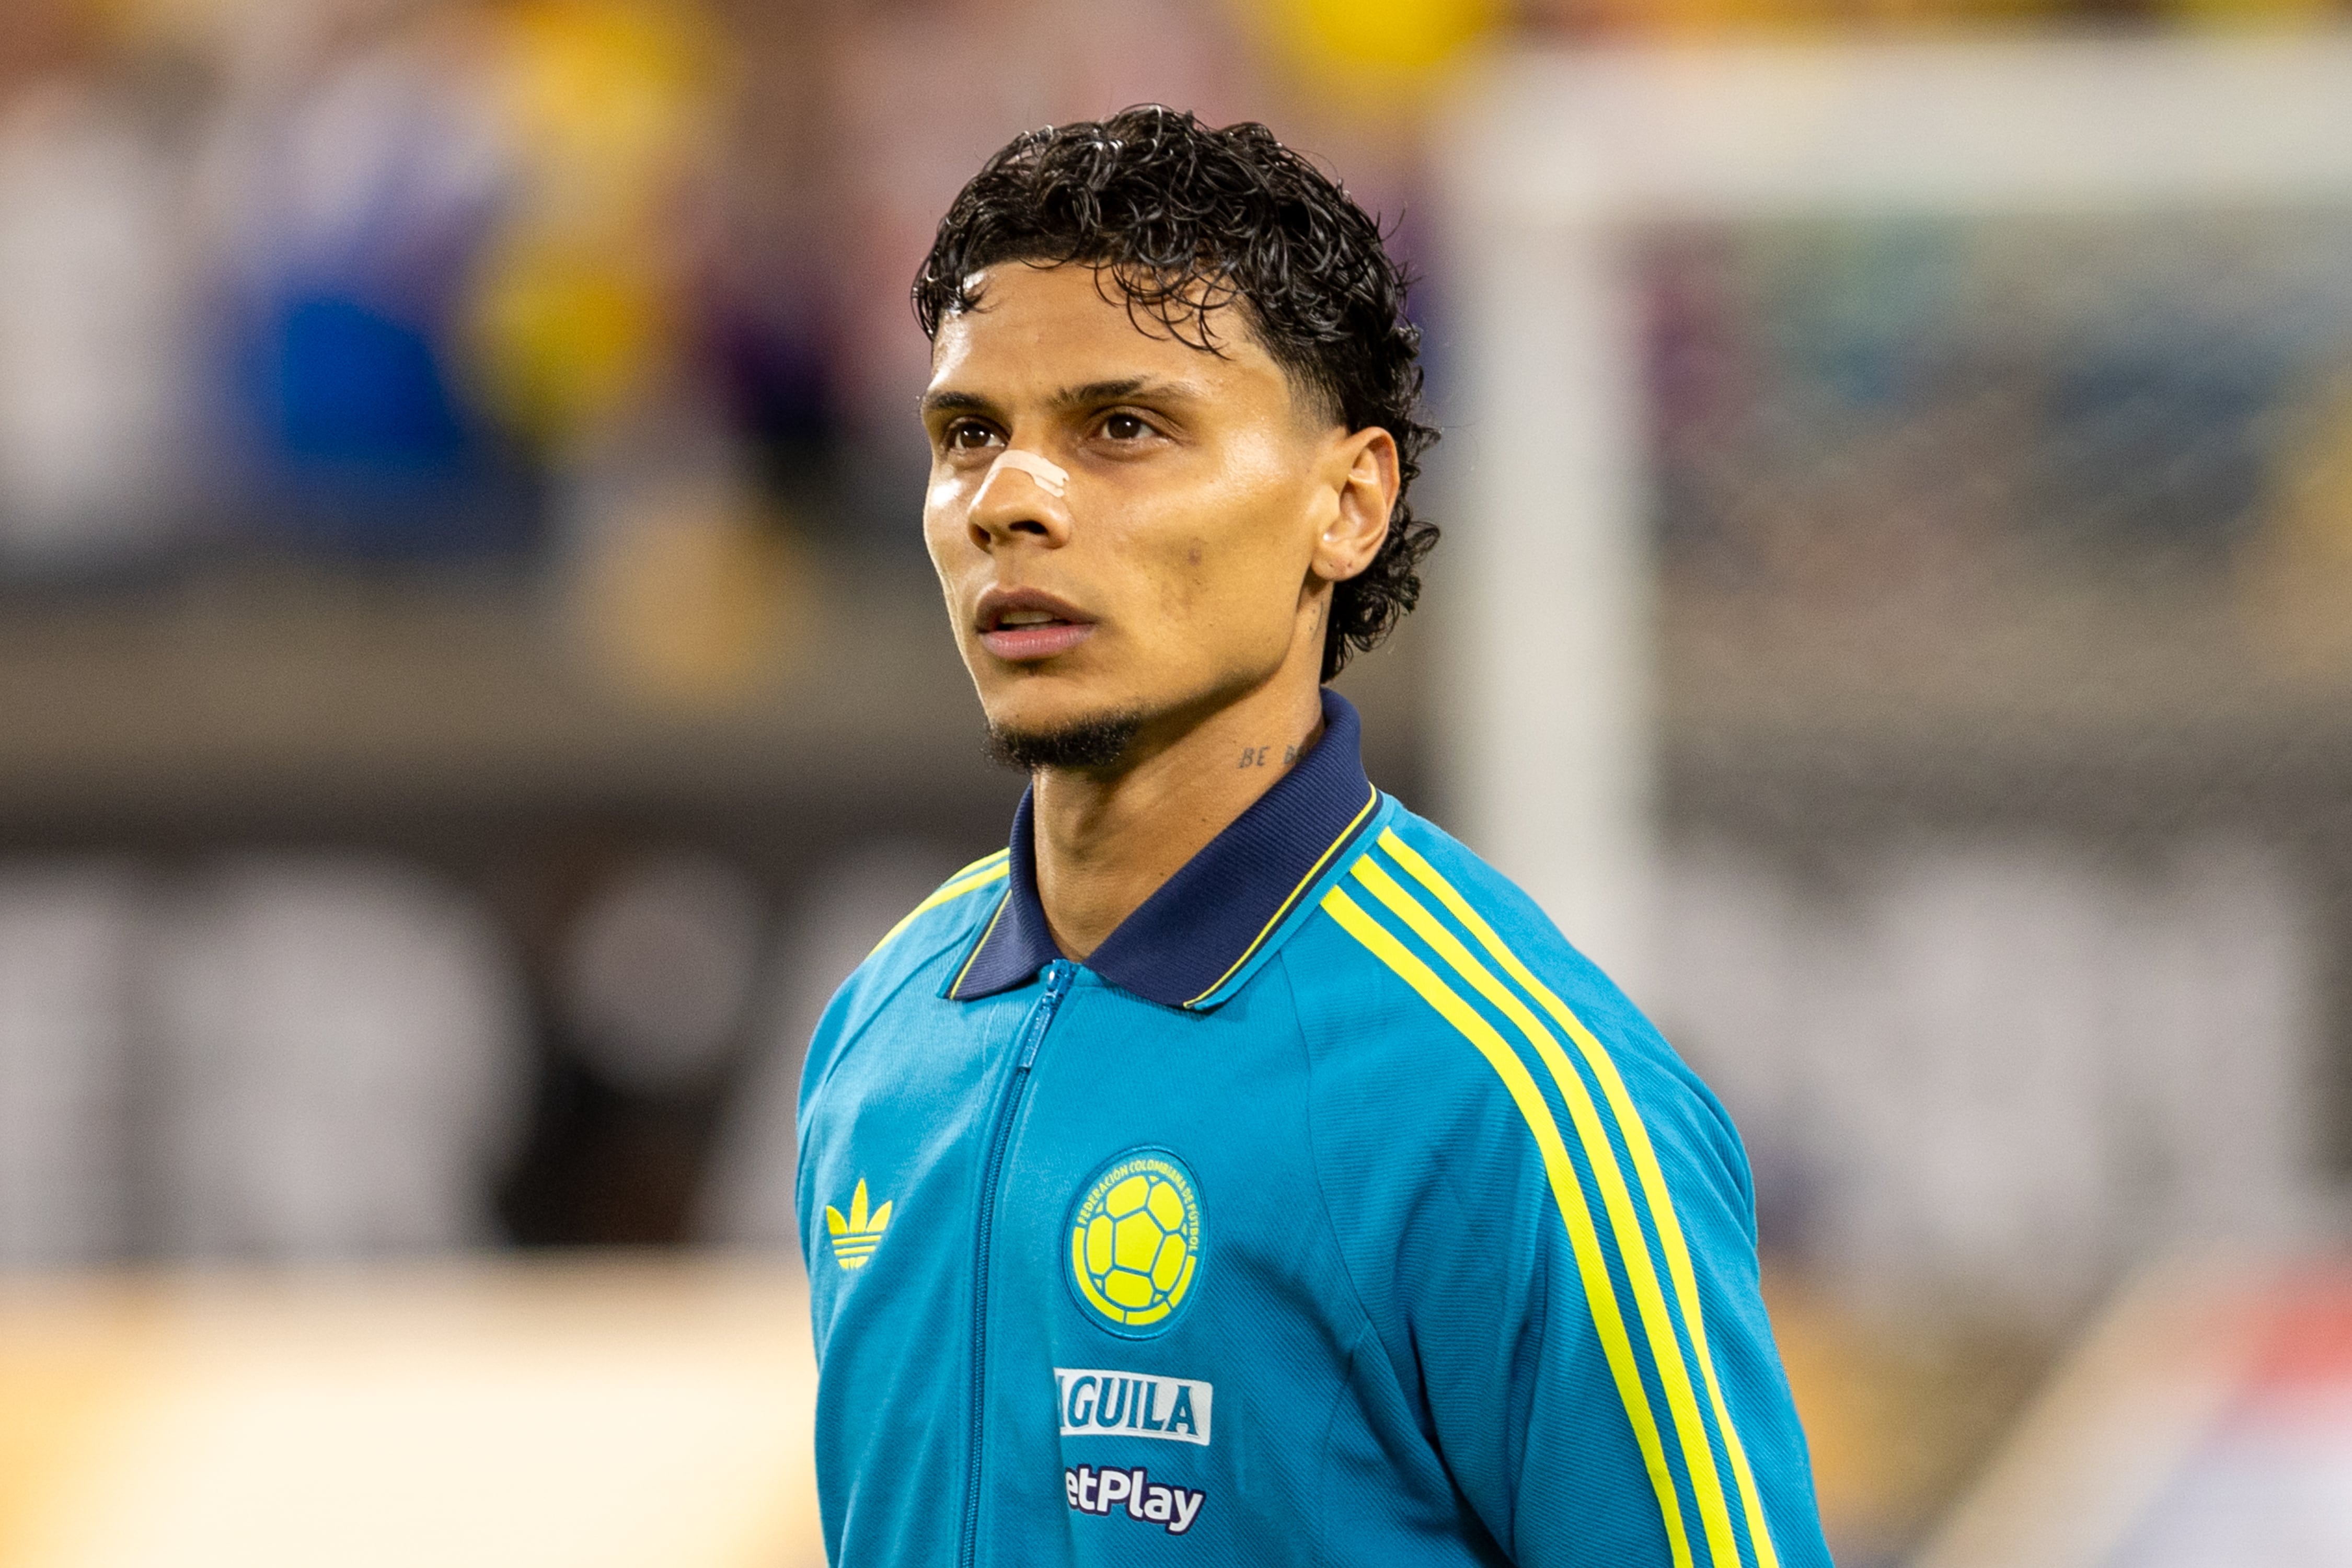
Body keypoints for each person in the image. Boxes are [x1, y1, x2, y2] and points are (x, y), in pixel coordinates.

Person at [796, 106, 1830, 1567]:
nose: (1010, 501)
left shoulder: (1511, 1100)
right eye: (969, 437)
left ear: (1346, 505)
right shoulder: (882, 1027)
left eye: (1123, 428)